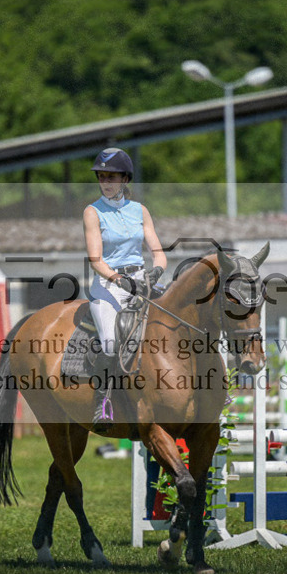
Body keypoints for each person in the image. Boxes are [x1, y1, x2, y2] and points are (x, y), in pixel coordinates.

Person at [82, 147, 166, 432]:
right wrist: (119, 280)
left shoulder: (140, 211)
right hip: (108, 286)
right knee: (109, 342)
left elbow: (158, 251)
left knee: (179, 320)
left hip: (142, 281)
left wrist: (157, 271)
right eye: (102, 176)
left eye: (112, 176)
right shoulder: (92, 212)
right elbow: (96, 260)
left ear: (125, 178)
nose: (106, 181)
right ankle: (102, 402)